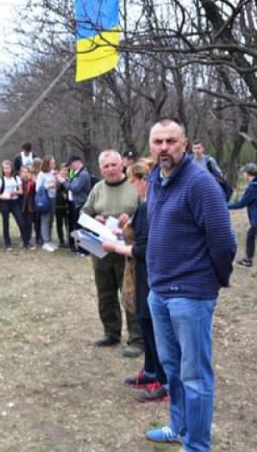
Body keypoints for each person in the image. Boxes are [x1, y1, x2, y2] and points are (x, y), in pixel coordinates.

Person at [144, 119, 236, 450]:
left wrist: (215, 280)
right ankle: (178, 425)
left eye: (171, 141)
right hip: (160, 292)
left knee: (195, 375)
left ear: (184, 144)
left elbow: (223, 242)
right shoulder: (156, 177)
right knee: (173, 369)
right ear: (150, 145)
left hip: (191, 295)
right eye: (158, 141)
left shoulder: (201, 183)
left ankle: (196, 446)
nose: (164, 147)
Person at [102, 158, 168, 402]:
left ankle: (164, 379)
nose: (133, 186)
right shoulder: (145, 206)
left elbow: (144, 248)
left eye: (133, 181)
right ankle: (151, 370)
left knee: (153, 326)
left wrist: (115, 248)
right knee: (144, 320)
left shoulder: (152, 207)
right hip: (140, 274)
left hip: (150, 273)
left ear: (145, 180)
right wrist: (120, 233)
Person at [82, 150, 143, 357]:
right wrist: (96, 218)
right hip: (101, 248)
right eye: (106, 166)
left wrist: (132, 218)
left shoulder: (134, 185)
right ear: (100, 169)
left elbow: (148, 211)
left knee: (130, 294)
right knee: (105, 293)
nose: (110, 169)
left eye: (113, 165)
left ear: (122, 165)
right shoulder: (97, 188)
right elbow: (84, 212)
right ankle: (111, 332)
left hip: (127, 249)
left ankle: (137, 339)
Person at [228, 162, 257, 277]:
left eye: (244, 172)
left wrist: (224, 205)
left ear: (248, 174)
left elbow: (241, 204)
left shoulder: (253, 188)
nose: (244, 175)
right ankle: (248, 259)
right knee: (250, 235)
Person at [57, 155, 91, 255]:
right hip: (74, 204)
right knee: (77, 227)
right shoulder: (76, 173)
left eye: (71, 164)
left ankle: (84, 250)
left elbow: (75, 188)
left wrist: (63, 181)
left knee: (82, 228)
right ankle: (80, 248)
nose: (70, 167)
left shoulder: (83, 174)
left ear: (78, 162)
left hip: (81, 203)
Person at [0, 160, 25, 252]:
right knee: (6, 223)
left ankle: (25, 240)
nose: (7, 170)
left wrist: (14, 192)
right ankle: (8, 244)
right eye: (5, 168)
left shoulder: (16, 178)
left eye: (8, 168)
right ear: (3, 170)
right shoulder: (1, 180)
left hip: (14, 202)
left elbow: (21, 191)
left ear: (11, 168)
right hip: (5, 203)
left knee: (21, 221)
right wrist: (4, 196)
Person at [36, 156, 58, 252]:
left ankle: (49, 240)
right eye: (52, 162)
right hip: (45, 198)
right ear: (47, 163)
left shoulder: (54, 172)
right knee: (45, 219)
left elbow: (68, 176)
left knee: (51, 219)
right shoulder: (42, 174)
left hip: (53, 197)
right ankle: (45, 242)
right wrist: (49, 185)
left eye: (54, 162)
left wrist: (57, 179)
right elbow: (38, 188)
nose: (54, 164)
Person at [19, 166, 36, 250]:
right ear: (20, 173)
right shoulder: (18, 182)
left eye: (27, 172)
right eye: (23, 172)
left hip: (30, 206)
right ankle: (24, 240)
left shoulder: (31, 182)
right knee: (22, 223)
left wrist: (33, 181)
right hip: (20, 205)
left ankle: (27, 241)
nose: (25, 174)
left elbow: (35, 190)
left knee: (29, 224)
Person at [54, 165, 70, 249]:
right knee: (59, 223)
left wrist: (67, 180)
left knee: (68, 223)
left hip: (67, 204)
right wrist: (59, 179)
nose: (64, 172)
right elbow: (56, 187)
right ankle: (61, 240)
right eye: (63, 170)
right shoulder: (57, 179)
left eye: (66, 170)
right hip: (58, 204)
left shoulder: (69, 180)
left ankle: (68, 240)